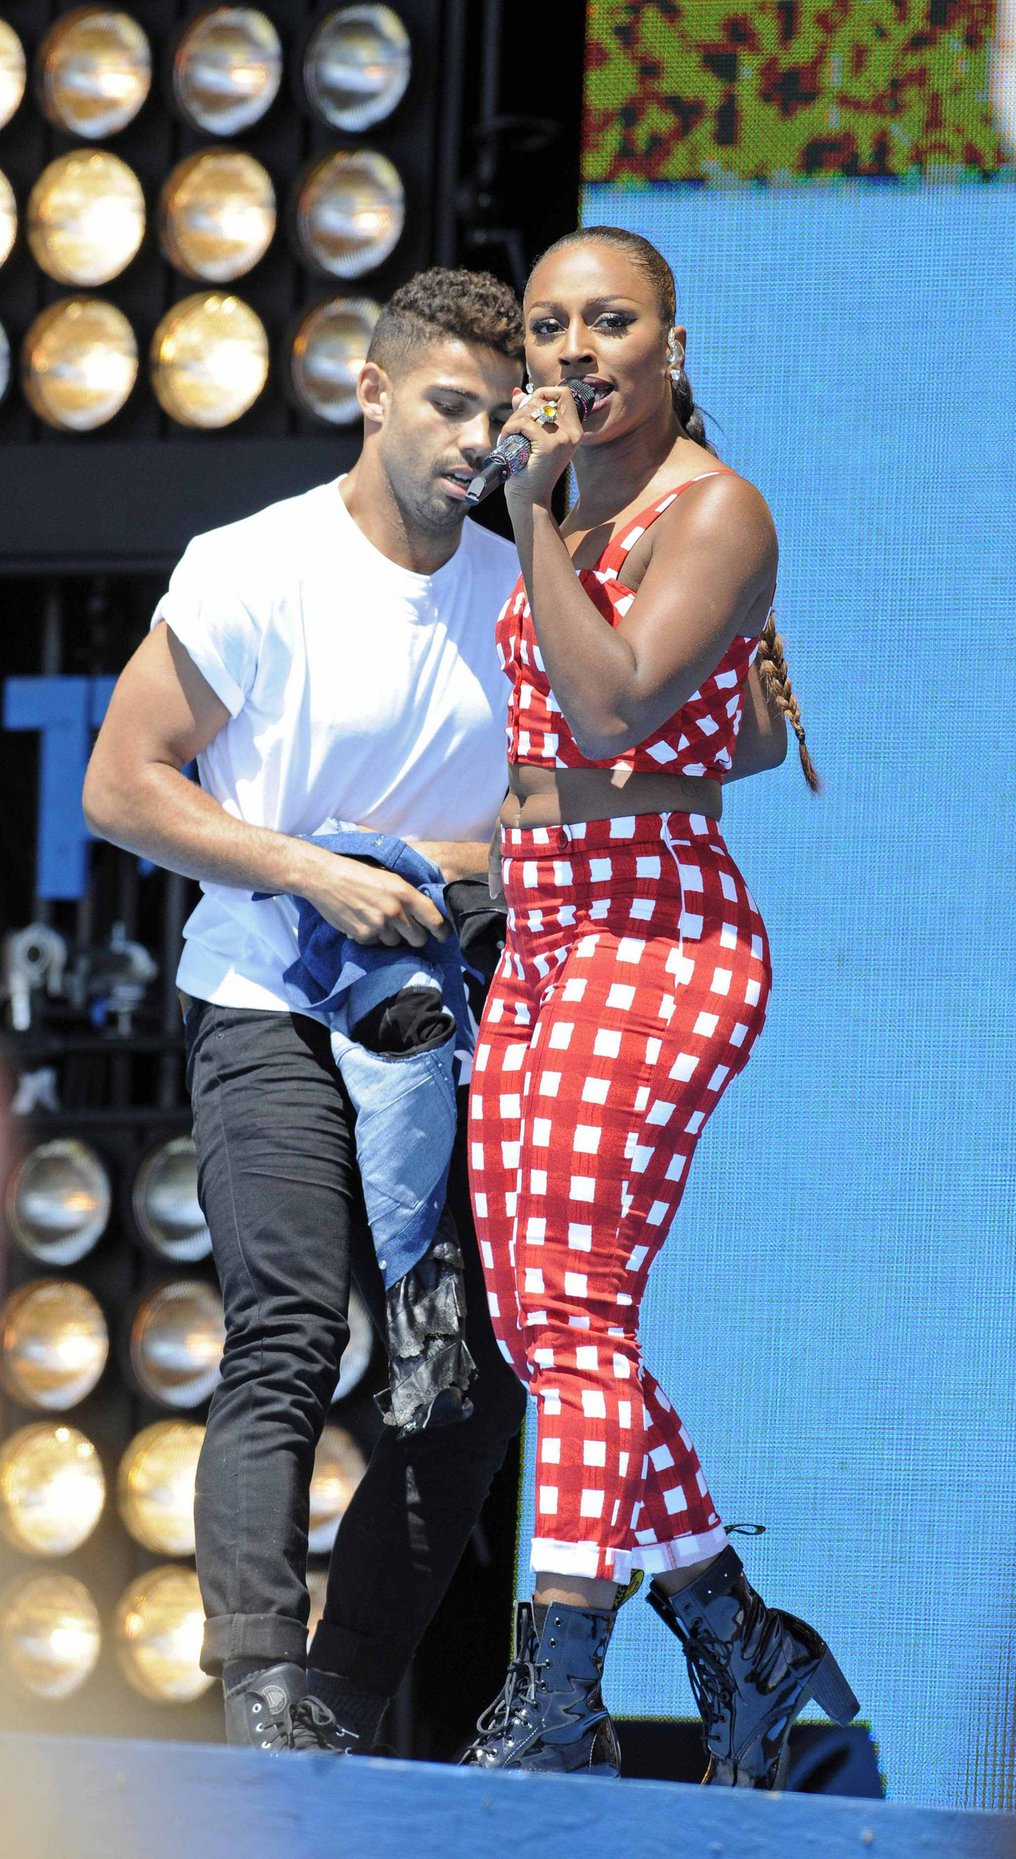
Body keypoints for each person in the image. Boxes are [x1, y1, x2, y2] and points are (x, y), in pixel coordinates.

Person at [82, 268, 529, 1753]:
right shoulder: (253, 565)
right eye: (450, 407)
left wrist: (425, 870)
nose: (476, 441)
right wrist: (308, 870)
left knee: (459, 1376)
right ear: (374, 393)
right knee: (284, 1328)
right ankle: (260, 1674)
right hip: (267, 997)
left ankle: (340, 1697)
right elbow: (123, 783)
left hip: (437, 1031)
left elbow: (551, 826)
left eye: (497, 413)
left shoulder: (522, 596)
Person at [461, 225, 858, 1785]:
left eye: (610, 321)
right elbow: (736, 734)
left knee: (568, 1321)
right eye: (549, 326)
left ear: (672, 345)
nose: (575, 351)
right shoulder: (583, 511)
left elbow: (618, 690)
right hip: (547, 938)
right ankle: (730, 1630)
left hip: (657, 940)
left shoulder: (712, 507)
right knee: (549, 1320)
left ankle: (558, 1693)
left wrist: (531, 524)